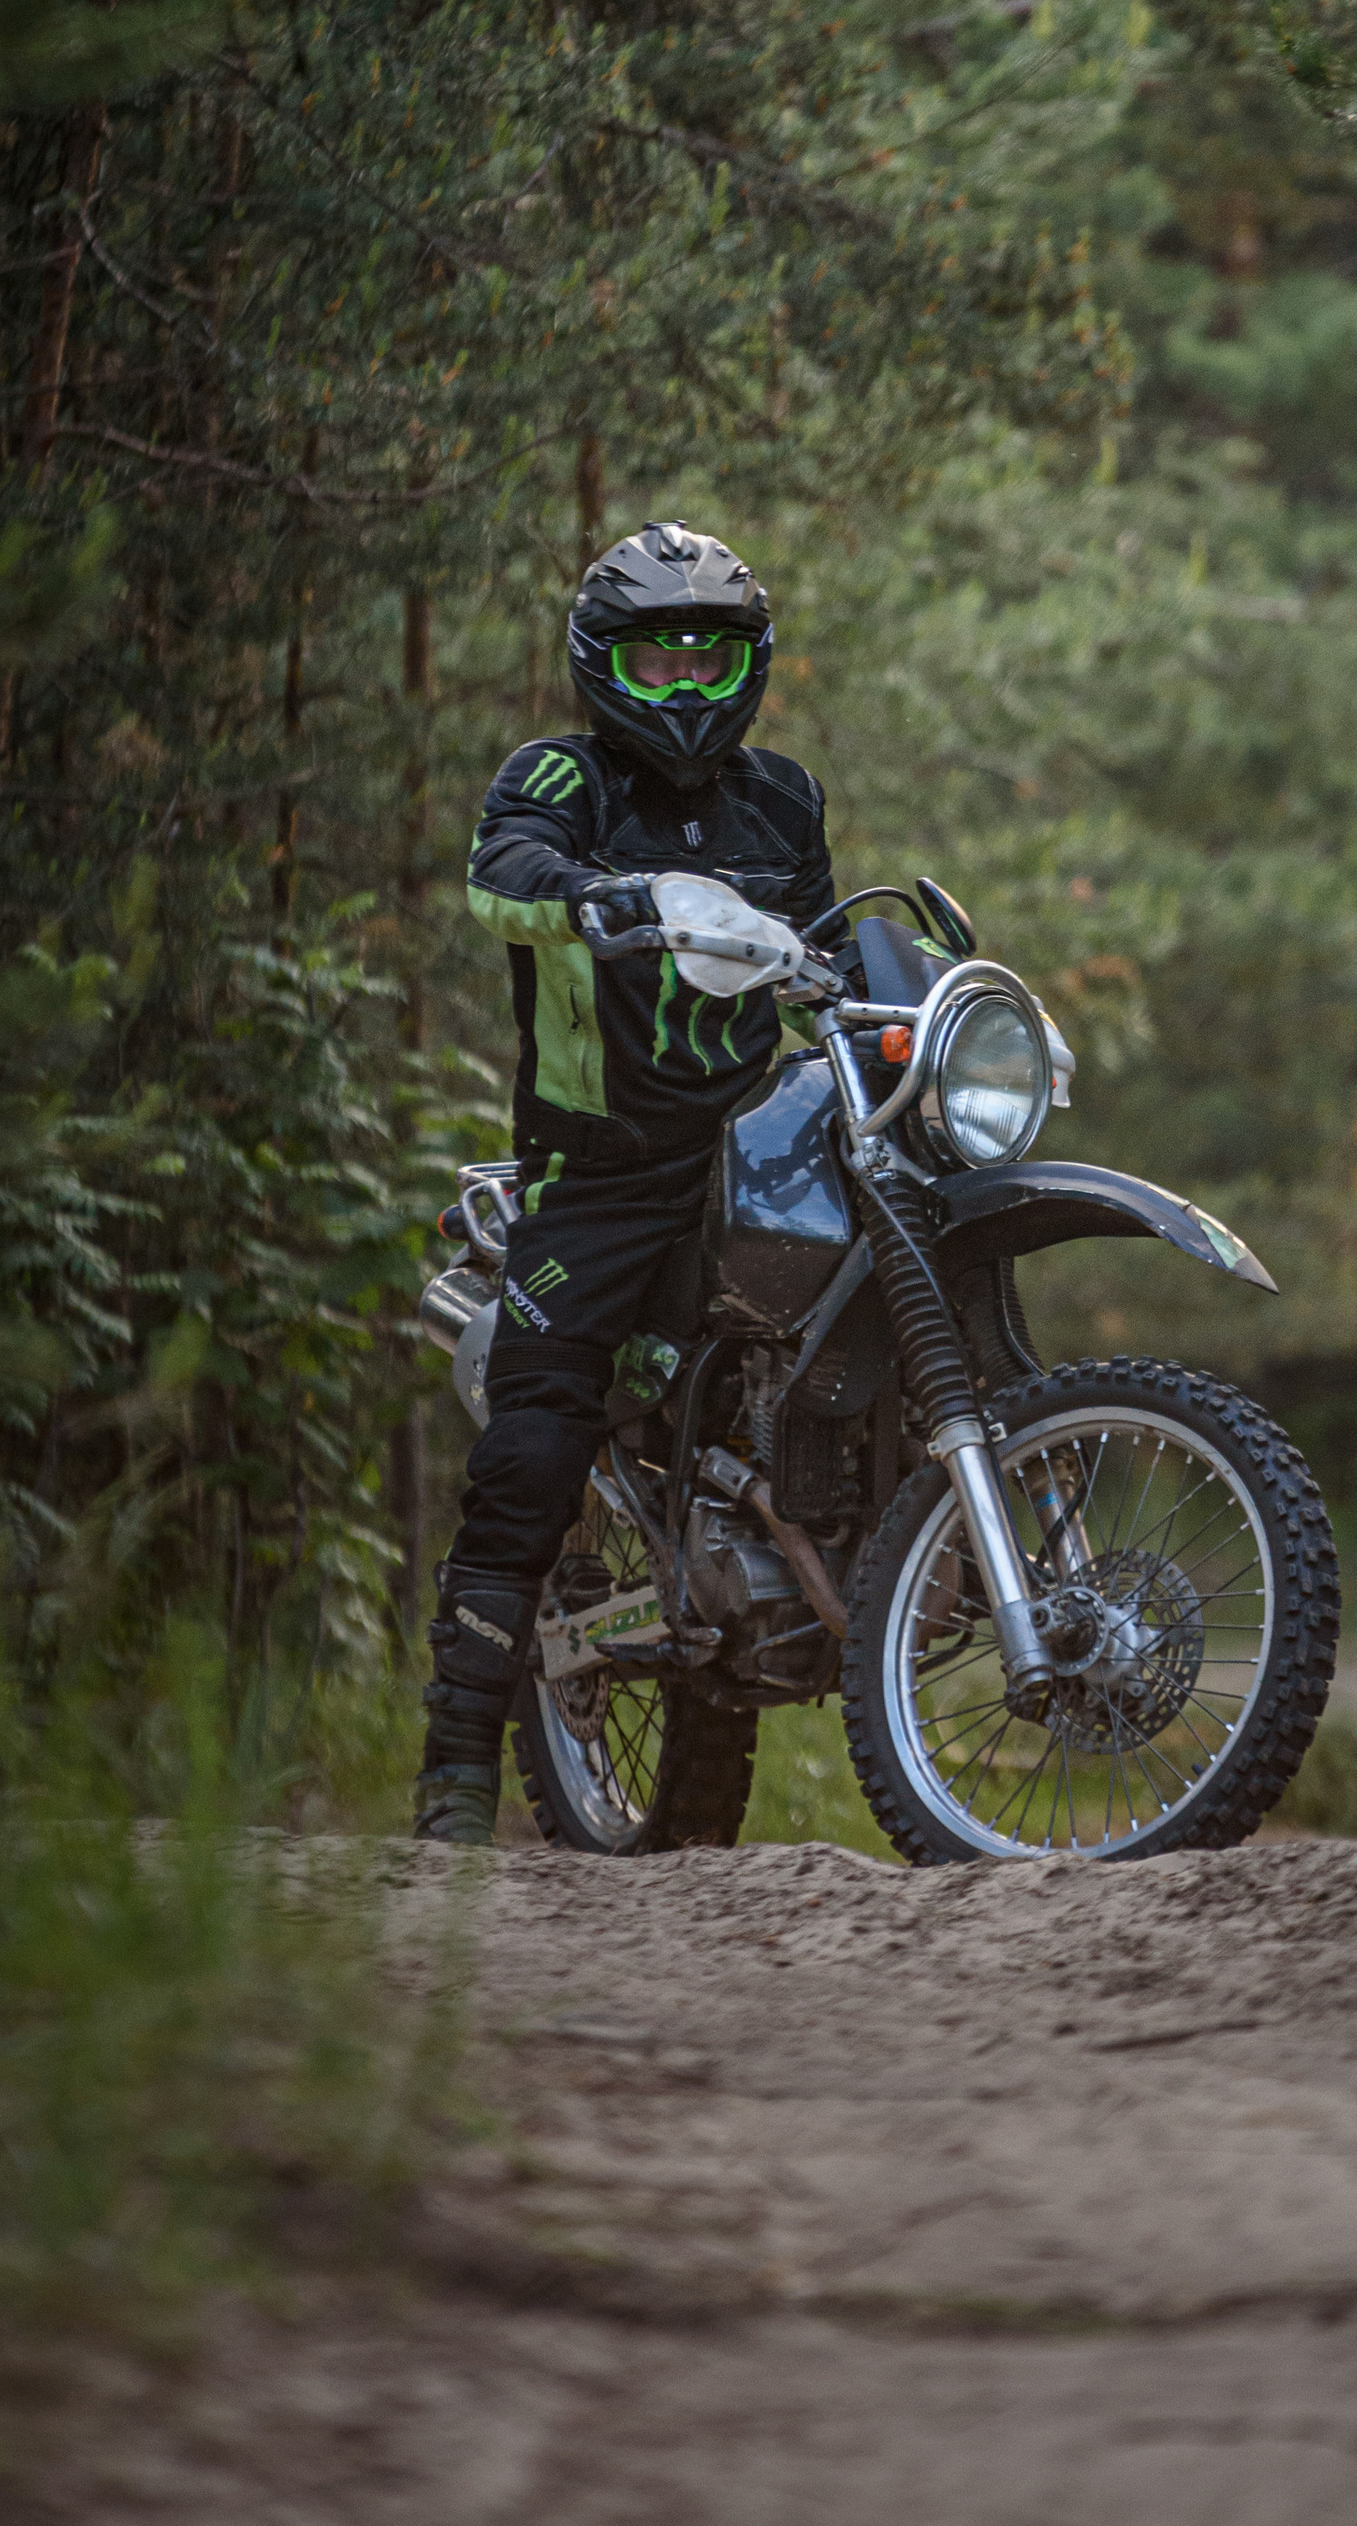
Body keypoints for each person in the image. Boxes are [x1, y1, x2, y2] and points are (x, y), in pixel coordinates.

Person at [411, 518, 835, 1843]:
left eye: (714, 655)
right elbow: (503, 875)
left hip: (754, 1155)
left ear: (752, 663)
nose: (690, 681)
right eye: (661, 656)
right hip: (598, 1174)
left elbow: (823, 947)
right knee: (534, 1440)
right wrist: (606, 898)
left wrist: (894, 1001)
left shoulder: (785, 798)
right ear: (606, 660)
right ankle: (456, 1768)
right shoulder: (560, 777)